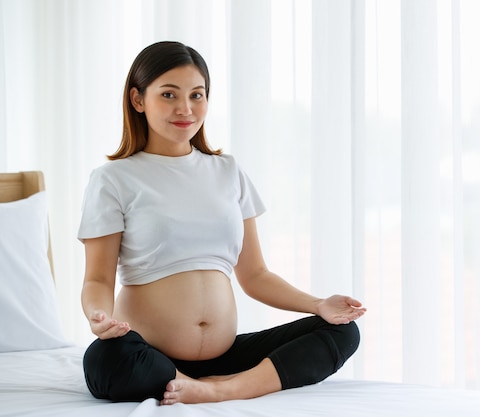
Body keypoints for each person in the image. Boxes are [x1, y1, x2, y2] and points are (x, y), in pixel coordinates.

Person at [78, 41, 365, 405]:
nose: (185, 108)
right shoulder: (113, 179)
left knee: (342, 332)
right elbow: (98, 279)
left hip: (225, 358)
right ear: (138, 100)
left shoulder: (228, 172)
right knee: (104, 359)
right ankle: (184, 381)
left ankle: (218, 389)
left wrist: (319, 303)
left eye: (197, 95)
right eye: (169, 94)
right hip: (148, 353)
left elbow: (256, 275)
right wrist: (97, 316)